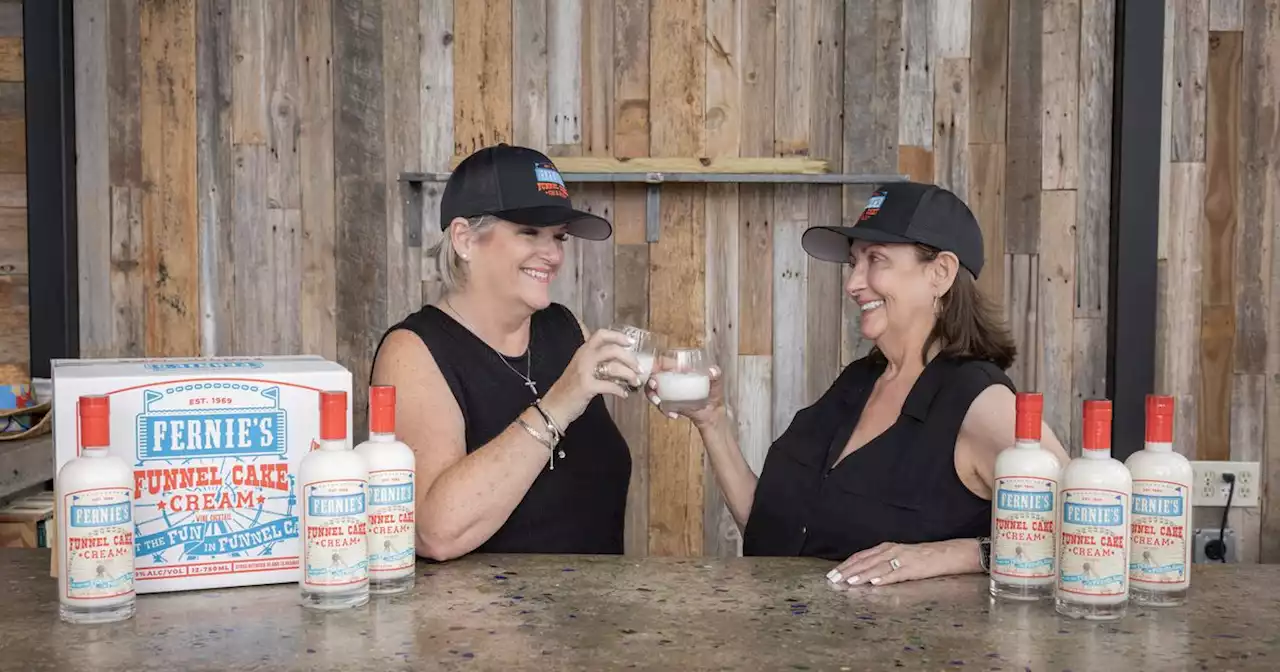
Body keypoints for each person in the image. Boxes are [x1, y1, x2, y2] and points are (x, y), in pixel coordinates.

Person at [649, 181, 1069, 586]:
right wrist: (712, 421)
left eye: (877, 259)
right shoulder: (856, 382)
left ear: (940, 273)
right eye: (854, 262)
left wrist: (950, 555)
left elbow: (1089, 526)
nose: (853, 283)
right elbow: (772, 532)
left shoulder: (979, 401)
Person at [371, 144, 642, 561]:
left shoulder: (566, 329)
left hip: (596, 621)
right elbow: (434, 533)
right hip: (483, 624)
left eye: (558, 237)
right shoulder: (413, 351)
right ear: (464, 238)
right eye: (529, 232)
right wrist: (562, 400)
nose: (552, 255)